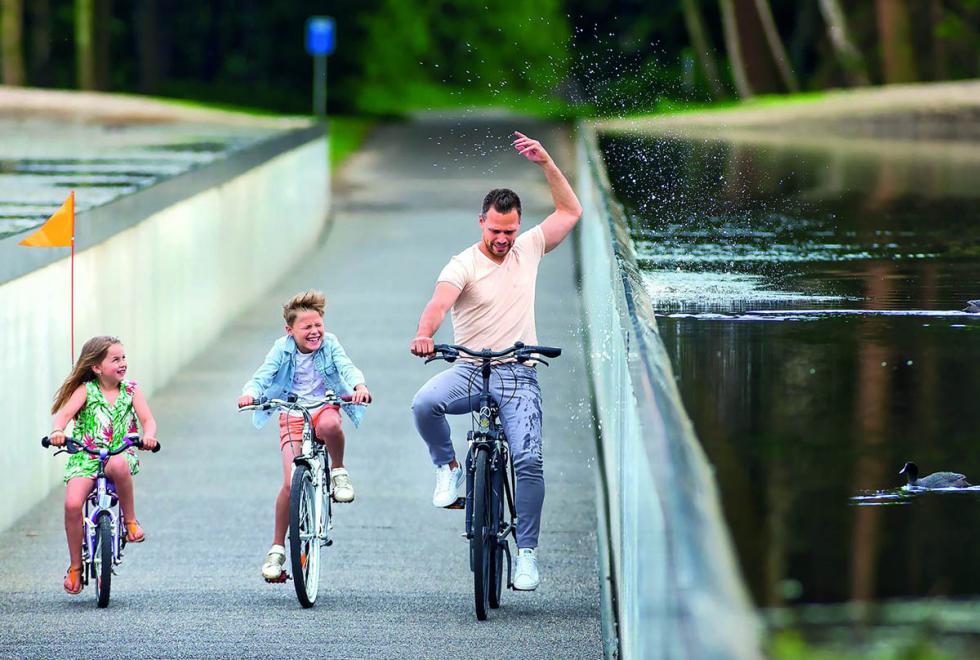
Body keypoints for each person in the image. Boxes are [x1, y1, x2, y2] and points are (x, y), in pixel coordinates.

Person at [410, 131, 583, 591]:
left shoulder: (529, 248)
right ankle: (448, 469)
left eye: (510, 230)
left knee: (528, 460)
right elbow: (438, 304)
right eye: (495, 231)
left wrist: (546, 162)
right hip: (469, 369)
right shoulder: (462, 264)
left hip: (518, 374)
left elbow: (571, 212)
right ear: (480, 223)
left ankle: (526, 553)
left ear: (518, 225)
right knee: (424, 404)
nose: (503, 239)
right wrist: (425, 335)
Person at [238, 289, 371, 582]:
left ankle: (338, 470)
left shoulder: (330, 343)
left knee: (330, 427)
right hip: (292, 413)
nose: (314, 332)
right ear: (290, 330)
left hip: (324, 406)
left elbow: (347, 368)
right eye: (306, 327)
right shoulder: (281, 348)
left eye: (318, 325)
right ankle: (276, 548)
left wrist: (358, 387)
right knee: (289, 483)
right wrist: (250, 394)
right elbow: (264, 375)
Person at [48, 335, 159, 595]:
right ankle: (76, 565)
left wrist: (149, 436)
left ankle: (130, 520)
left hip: (118, 451)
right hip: (86, 455)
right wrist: (57, 432)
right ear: (96, 367)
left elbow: (148, 420)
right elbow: (63, 417)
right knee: (72, 504)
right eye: (115, 359)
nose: (123, 363)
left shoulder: (131, 390)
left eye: (124, 358)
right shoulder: (86, 390)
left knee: (119, 465)